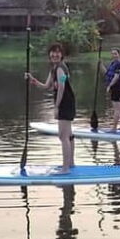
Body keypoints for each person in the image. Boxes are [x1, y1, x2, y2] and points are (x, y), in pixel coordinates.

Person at [26, 42, 75, 172]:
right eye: (53, 52)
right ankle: (70, 163)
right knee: (68, 135)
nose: (55, 55)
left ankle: (65, 168)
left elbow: (62, 88)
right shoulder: (54, 68)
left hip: (65, 103)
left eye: (58, 52)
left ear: (62, 54)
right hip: (66, 102)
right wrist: (33, 80)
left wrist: (56, 107)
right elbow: (46, 86)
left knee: (63, 136)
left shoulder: (60, 68)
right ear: (49, 54)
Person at [101, 47, 120, 131]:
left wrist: (109, 86)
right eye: (112, 54)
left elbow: (116, 77)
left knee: (117, 109)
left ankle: (114, 128)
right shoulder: (113, 64)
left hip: (118, 88)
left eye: (115, 54)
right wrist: (101, 65)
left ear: (119, 54)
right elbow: (107, 74)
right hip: (116, 88)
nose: (114, 55)